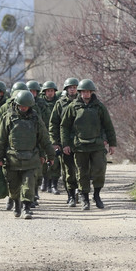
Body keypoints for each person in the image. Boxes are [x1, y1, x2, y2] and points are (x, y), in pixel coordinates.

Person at [0, 90, 54, 219]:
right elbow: (1, 139)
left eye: (26, 106)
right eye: (21, 106)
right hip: (12, 159)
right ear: (17, 104)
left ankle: (26, 207)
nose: (23, 108)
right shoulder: (8, 117)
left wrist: (51, 155)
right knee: (14, 186)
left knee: (28, 185)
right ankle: (17, 205)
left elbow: (44, 138)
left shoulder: (35, 119)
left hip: (31, 158)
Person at [60, 79, 116, 210]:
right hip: (80, 146)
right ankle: (84, 198)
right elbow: (64, 127)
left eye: (88, 92)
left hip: (97, 145)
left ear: (91, 92)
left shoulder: (99, 107)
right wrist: (65, 144)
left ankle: (97, 195)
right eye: (83, 91)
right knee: (82, 173)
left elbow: (108, 126)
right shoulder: (73, 107)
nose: (86, 94)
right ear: (80, 92)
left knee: (99, 170)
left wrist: (112, 144)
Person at [50, 77, 80, 206]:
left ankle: (82, 193)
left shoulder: (83, 101)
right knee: (68, 171)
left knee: (83, 170)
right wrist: (55, 142)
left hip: (81, 142)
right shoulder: (60, 103)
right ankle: (71, 195)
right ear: (66, 89)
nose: (72, 89)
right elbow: (53, 124)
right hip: (65, 142)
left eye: (74, 87)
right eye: (70, 87)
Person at [39, 81, 61, 194]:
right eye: (48, 91)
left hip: (55, 134)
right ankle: (45, 181)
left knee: (55, 160)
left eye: (52, 91)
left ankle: (54, 184)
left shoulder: (59, 102)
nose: (50, 93)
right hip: (43, 134)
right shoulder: (40, 103)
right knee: (43, 159)